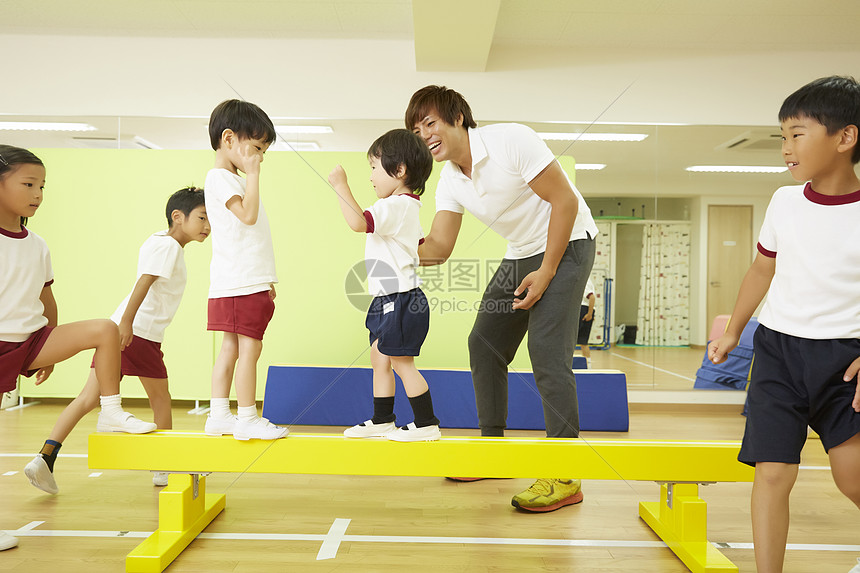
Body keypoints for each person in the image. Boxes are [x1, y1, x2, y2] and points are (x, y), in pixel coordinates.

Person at [405, 86, 598, 512]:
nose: (426, 136)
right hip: (520, 252)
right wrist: (393, 241)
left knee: (547, 350)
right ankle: (493, 449)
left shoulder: (510, 140)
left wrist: (547, 271)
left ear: (458, 117)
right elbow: (438, 248)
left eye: (431, 123)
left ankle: (565, 473)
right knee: (484, 342)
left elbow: (564, 201)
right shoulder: (451, 180)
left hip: (568, 243)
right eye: (417, 132)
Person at [708, 76, 860, 573]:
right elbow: (762, 267)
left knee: (851, 477)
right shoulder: (784, 201)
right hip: (778, 352)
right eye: (782, 137)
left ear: (845, 137)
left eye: (797, 134)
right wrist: (735, 329)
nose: (786, 148)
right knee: (772, 473)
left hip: (845, 358)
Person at [0, 145, 156, 551]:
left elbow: (45, 298)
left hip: (31, 340)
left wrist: (49, 342)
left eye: (42, 186)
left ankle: (111, 413)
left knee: (105, 329)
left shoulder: (37, 244)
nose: (37, 194)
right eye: (28, 184)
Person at [23, 187, 210, 495]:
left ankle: (45, 456)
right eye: (202, 218)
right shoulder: (170, 248)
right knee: (161, 398)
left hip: (125, 331)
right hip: (139, 334)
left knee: (87, 399)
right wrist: (126, 324)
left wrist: (122, 324)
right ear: (178, 217)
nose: (207, 227)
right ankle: (163, 465)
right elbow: (144, 283)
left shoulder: (158, 241)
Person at [327, 129, 441, 442]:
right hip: (387, 298)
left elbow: (358, 223)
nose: (371, 177)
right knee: (380, 359)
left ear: (400, 170)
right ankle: (382, 419)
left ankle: (427, 422)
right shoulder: (407, 207)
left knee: (402, 363)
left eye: (375, 168)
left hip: (400, 298)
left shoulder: (395, 205)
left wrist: (340, 185)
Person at [202, 99, 287, 441]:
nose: (260, 158)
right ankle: (247, 417)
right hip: (240, 282)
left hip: (238, 281)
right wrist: (253, 175)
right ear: (229, 139)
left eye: (263, 151)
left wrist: (265, 277)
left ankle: (220, 415)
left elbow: (248, 233)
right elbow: (248, 217)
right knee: (249, 349)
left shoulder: (227, 179)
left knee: (232, 348)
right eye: (256, 148)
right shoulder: (223, 178)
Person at [578, 277, 596, 365]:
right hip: (583, 310)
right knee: (582, 341)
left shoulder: (585, 280)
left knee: (583, 341)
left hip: (583, 310)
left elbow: (592, 297)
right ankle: (588, 365)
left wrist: (589, 313)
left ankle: (588, 365)